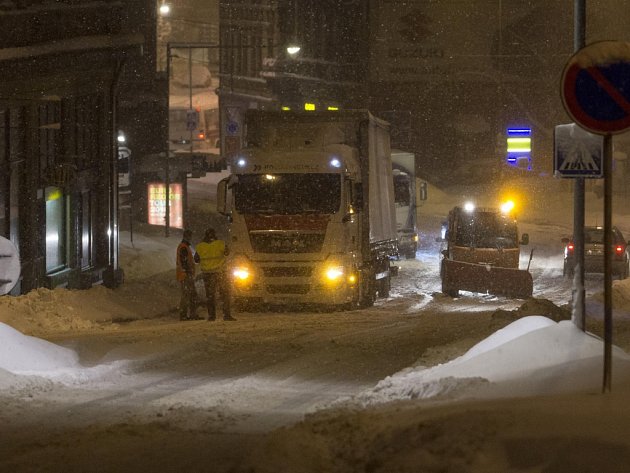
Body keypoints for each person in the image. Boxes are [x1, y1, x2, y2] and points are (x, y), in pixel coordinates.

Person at [194, 227, 235, 321]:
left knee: (210, 296)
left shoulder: (200, 246)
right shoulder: (220, 244)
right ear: (214, 234)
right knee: (224, 294)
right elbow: (227, 253)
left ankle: (212, 316)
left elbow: (196, 259)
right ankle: (226, 315)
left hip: (207, 274)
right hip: (220, 272)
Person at [176, 229, 199, 320]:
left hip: (184, 274)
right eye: (190, 236)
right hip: (185, 275)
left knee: (188, 295)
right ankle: (186, 315)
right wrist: (187, 271)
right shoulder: (184, 247)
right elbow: (184, 261)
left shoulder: (184, 246)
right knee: (190, 295)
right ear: (188, 237)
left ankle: (186, 315)